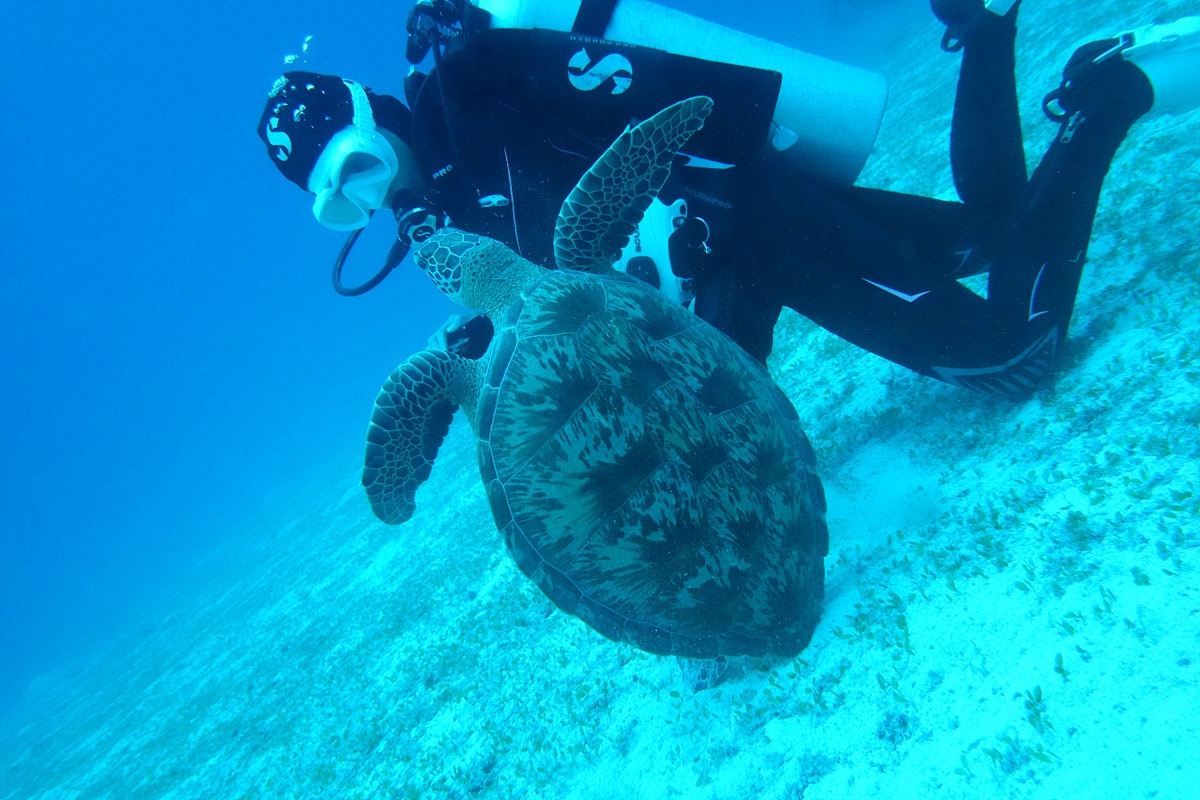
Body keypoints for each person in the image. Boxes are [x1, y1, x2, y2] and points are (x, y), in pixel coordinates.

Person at [257, 0, 1200, 397]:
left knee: (1010, 355)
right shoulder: (449, 209)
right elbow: (549, 287)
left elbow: (629, 163)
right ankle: (991, 33)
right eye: (342, 203)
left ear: (372, 113)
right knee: (994, 234)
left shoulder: (467, 92)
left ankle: (1108, 97)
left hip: (756, 227)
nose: (372, 197)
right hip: (734, 268)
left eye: (359, 165)